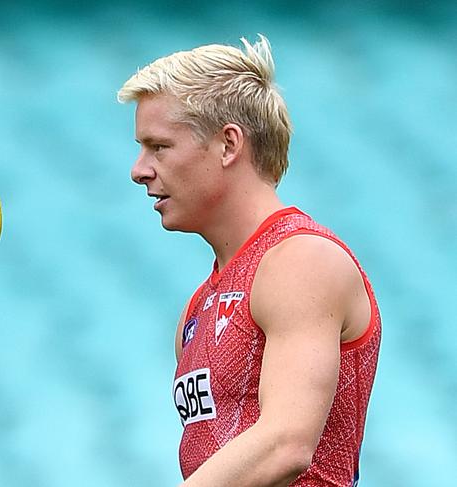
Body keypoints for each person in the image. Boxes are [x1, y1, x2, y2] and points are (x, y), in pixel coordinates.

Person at [117, 35, 381, 486]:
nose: (138, 169)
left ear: (228, 145)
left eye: (159, 146)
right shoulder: (198, 308)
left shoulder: (301, 259)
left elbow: (285, 444)